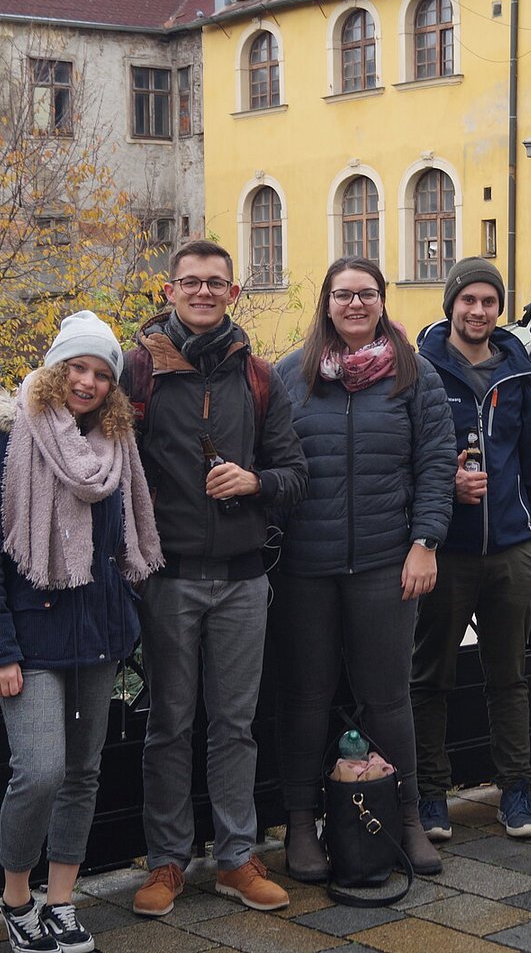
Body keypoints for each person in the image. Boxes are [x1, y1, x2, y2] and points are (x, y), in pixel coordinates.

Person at [0, 310, 162, 953]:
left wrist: (124, 610)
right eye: (77, 367)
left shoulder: (114, 452)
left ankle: (62, 901)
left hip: (98, 635)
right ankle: (17, 899)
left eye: (102, 373)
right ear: (54, 370)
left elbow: (122, 546)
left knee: (82, 773)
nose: (88, 382)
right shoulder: (5, 447)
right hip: (29, 640)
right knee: (40, 772)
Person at [127, 241, 308, 917]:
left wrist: (255, 481)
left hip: (241, 578)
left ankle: (235, 858)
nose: (202, 292)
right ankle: (167, 860)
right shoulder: (138, 372)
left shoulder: (259, 377)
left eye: (215, 283)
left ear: (234, 294)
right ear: (169, 291)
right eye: (190, 282)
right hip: (167, 576)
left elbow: (295, 474)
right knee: (169, 725)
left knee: (235, 725)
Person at [271, 257, 455, 882]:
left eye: (367, 294)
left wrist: (425, 541)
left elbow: (436, 463)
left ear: (381, 301)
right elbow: (271, 460)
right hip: (306, 567)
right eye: (343, 294)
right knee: (306, 698)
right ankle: (301, 824)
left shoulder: (414, 375)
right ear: (326, 302)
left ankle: (405, 817)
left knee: (388, 698)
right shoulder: (290, 377)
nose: (355, 304)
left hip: (384, 562)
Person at [413, 257, 531, 840]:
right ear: (451, 304)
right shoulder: (421, 370)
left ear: (500, 309)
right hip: (443, 550)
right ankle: (430, 795)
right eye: (468, 300)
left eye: (489, 302)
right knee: (430, 677)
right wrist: (443, 488)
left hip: (510, 551)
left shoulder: (519, 375)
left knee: (509, 677)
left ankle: (516, 790)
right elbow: (402, 460)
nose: (478, 311)